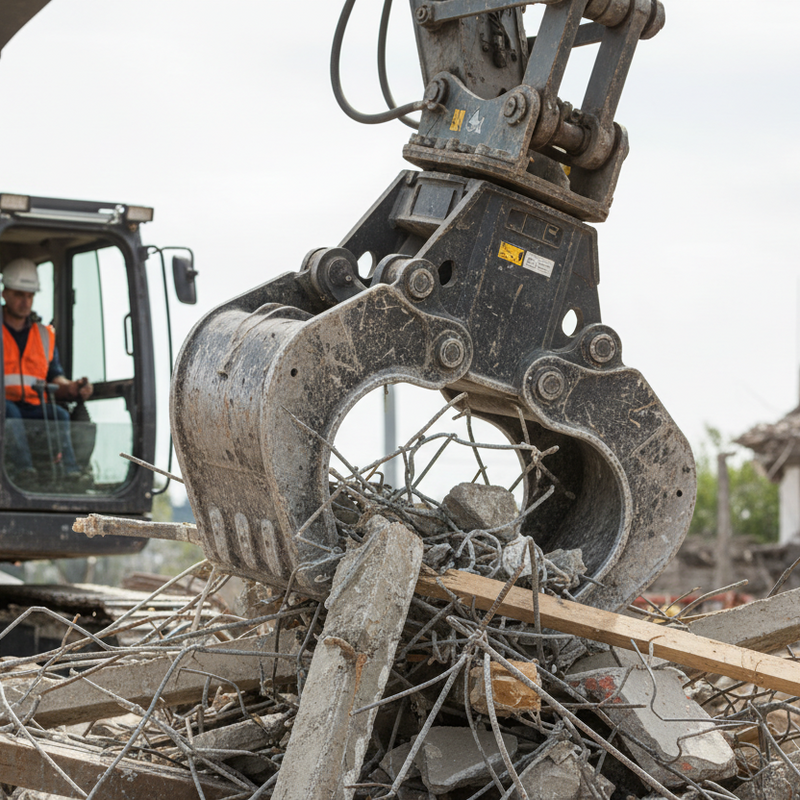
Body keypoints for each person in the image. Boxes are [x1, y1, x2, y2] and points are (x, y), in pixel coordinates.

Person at [2, 257, 93, 488]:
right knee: (8, 411)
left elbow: (54, 374)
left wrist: (72, 387)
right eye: (19, 294)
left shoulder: (44, 335)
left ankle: (70, 473)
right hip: (5, 406)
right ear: (5, 293)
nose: (25, 301)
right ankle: (24, 471)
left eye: (30, 295)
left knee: (60, 415)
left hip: (33, 407)